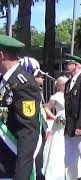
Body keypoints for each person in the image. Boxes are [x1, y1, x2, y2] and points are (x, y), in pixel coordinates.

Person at [0, 35, 42, 179]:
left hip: (11, 164)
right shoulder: (5, 80)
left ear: (1, 55)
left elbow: (28, 134)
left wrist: (21, 176)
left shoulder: (24, 84)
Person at [42, 76, 68, 179]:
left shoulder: (69, 95)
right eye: (65, 84)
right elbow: (47, 109)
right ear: (60, 85)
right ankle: (54, 171)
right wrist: (54, 118)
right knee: (57, 145)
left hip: (69, 122)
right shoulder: (56, 96)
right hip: (59, 122)